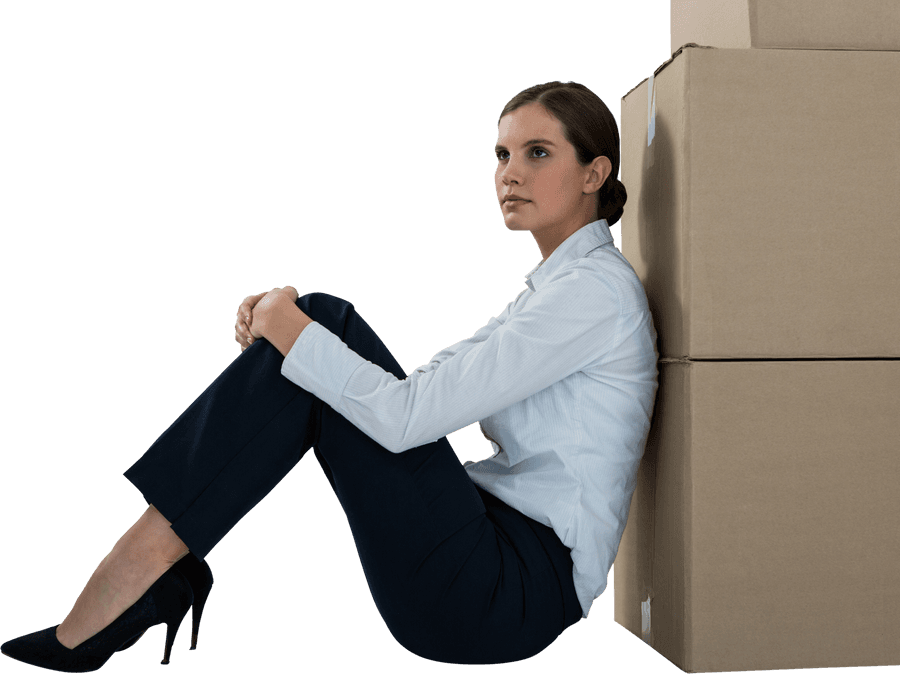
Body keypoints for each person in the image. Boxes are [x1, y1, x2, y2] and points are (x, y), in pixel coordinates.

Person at [1, 80, 659, 671]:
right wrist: (291, 340)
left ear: (594, 172)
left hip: (503, 594)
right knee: (313, 349)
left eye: (537, 153)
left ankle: (137, 570)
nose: (509, 174)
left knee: (322, 326)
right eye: (501, 155)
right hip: (489, 563)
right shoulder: (551, 293)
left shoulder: (591, 295)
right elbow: (423, 389)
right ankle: (146, 571)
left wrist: (294, 328)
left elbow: (407, 417)